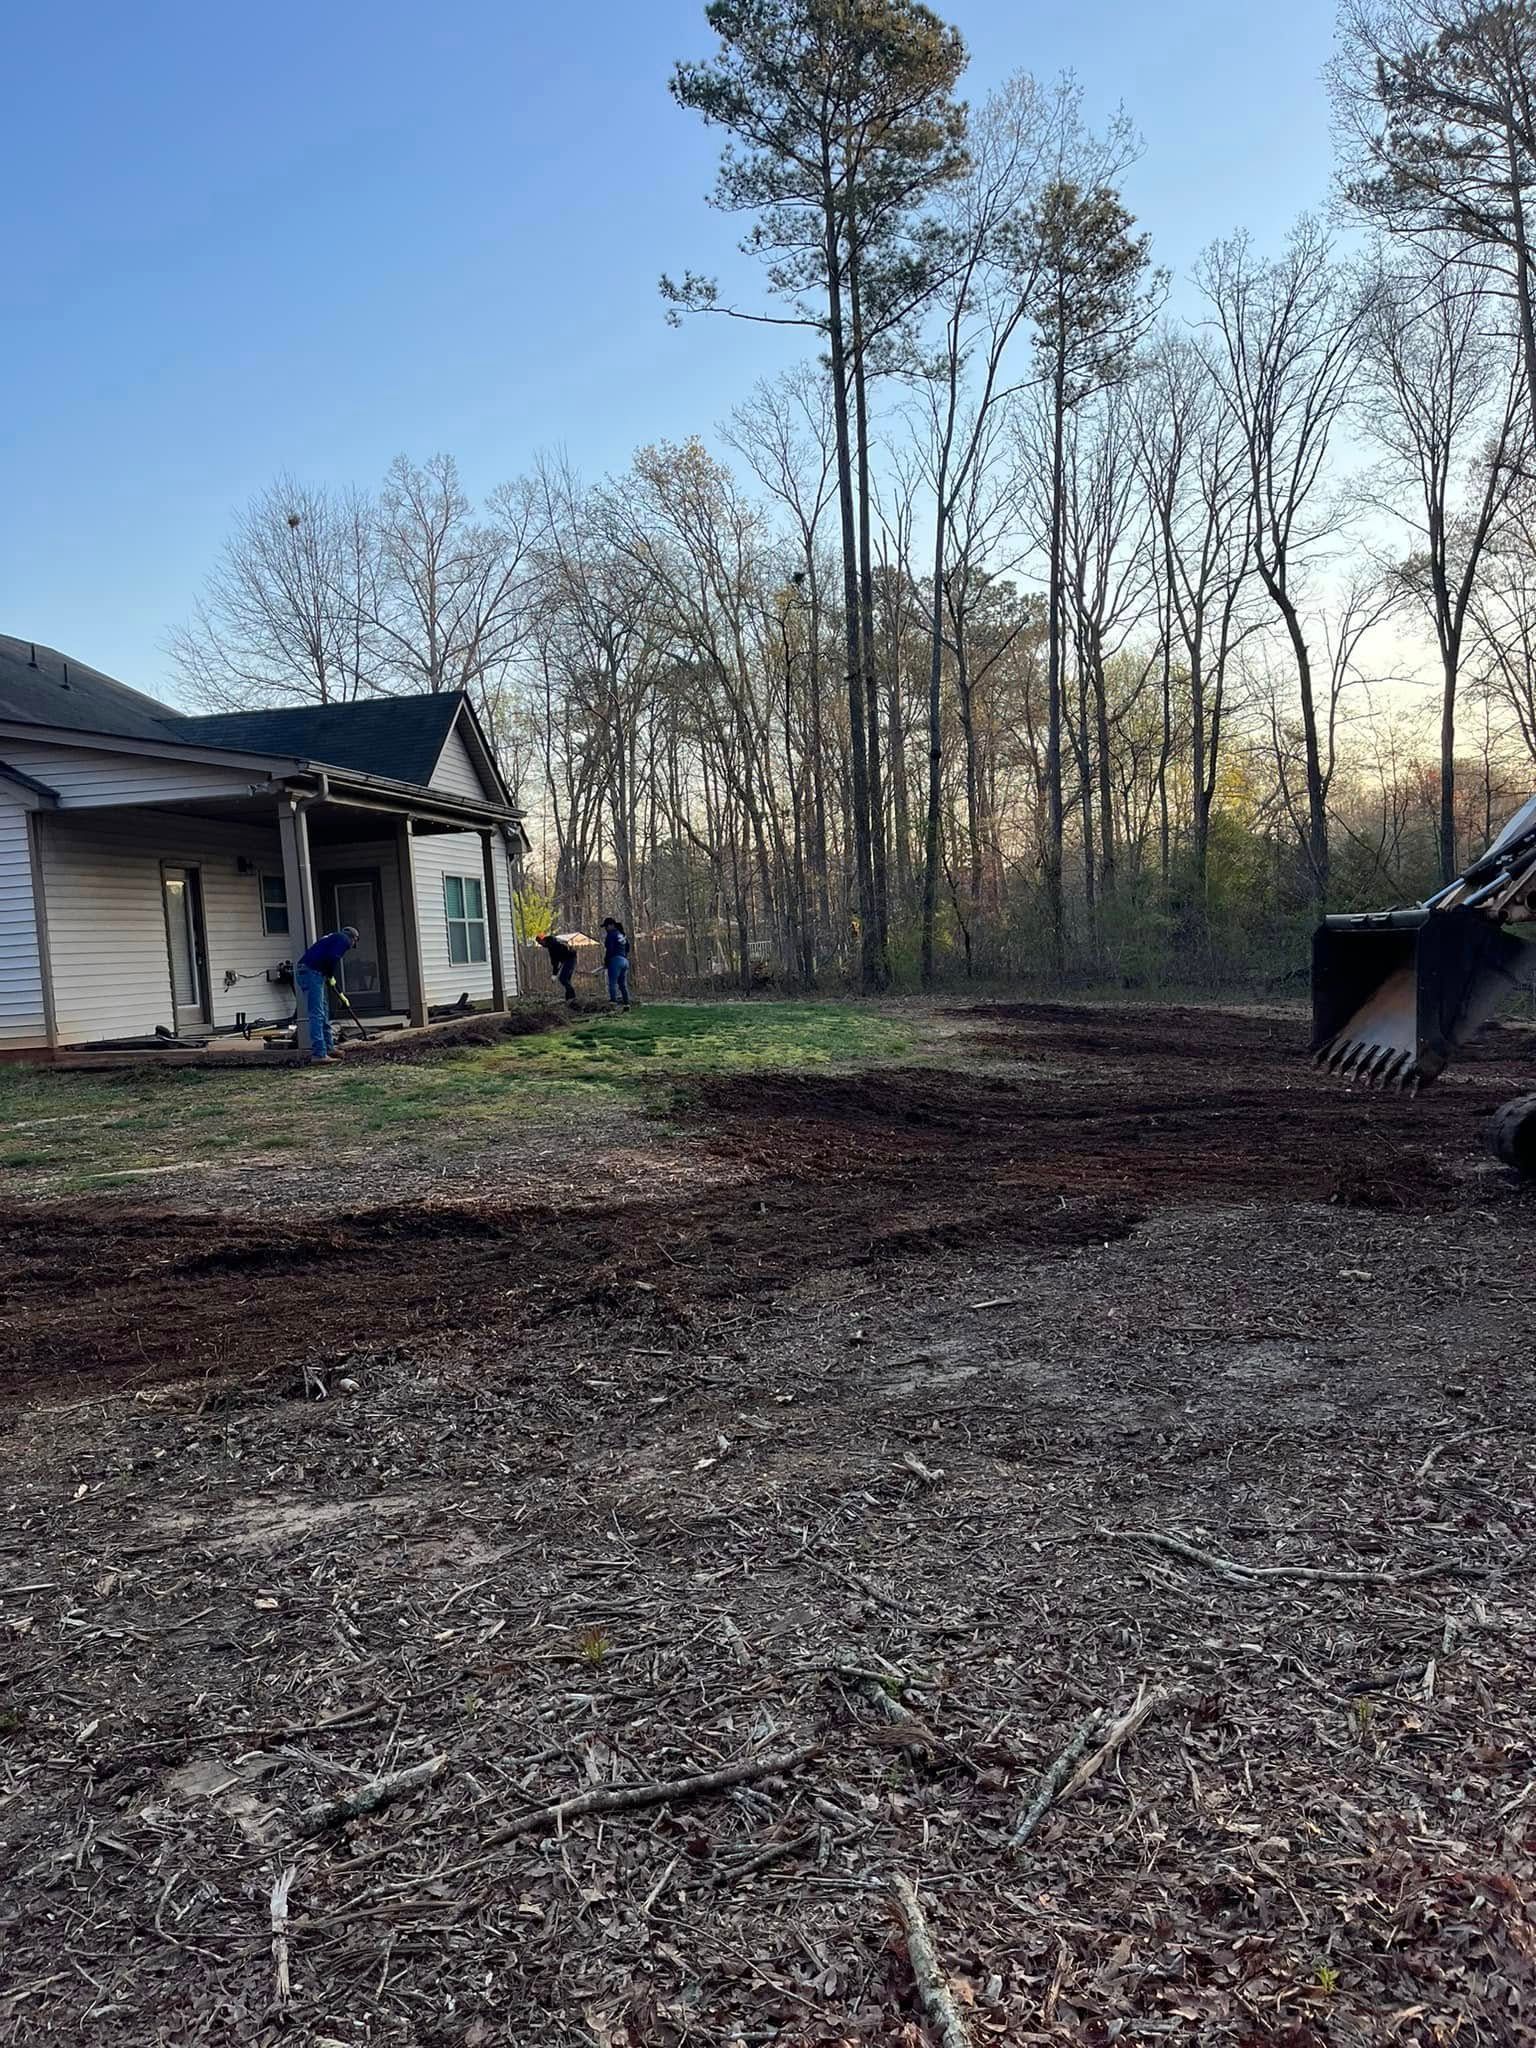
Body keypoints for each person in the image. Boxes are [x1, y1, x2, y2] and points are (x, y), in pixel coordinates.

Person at [294, 926, 359, 1063]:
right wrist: (330, 975)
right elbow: (332, 957)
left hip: (310, 972)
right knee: (317, 1013)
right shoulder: (344, 939)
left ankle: (328, 1048)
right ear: (353, 938)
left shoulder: (332, 937)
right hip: (312, 973)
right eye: (354, 943)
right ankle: (319, 1054)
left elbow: (326, 957)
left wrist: (328, 976)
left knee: (323, 1011)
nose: (351, 946)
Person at [536, 931, 578, 1005]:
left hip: (569, 959)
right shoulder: (553, 942)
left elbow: (555, 963)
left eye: (540, 942)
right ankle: (569, 998)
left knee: (563, 979)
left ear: (543, 940)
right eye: (539, 943)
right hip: (568, 959)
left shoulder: (553, 946)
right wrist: (555, 973)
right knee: (567, 979)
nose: (541, 944)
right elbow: (556, 962)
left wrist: (554, 975)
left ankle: (572, 996)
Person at [601, 917, 631, 1009]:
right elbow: (628, 948)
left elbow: (609, 950)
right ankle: (627, 1004)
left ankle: (613, 1004)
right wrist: (623, 955)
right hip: (625, 961)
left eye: (606, 926)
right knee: (622, 984)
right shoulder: (621, 934)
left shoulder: (611, 935)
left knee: (612, 983)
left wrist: (606, 961)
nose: (605, 929)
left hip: (615, 960)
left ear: (611, 925)